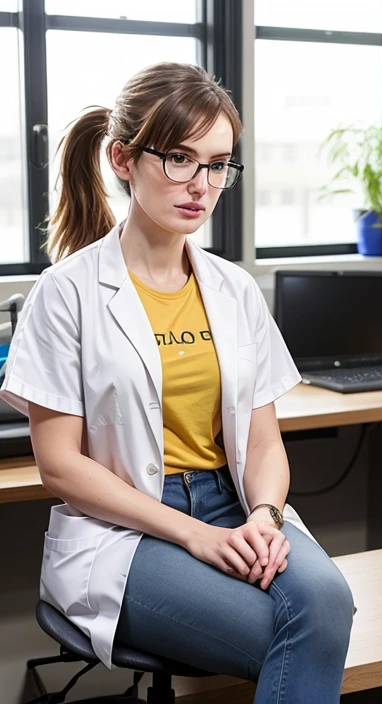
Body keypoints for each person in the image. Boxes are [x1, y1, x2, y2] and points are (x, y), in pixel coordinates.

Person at [0, 62, 353, 702]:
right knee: (295, 632)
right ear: (123, 159)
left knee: (329, 603)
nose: (202, 185)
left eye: (218, 164)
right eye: (180, 159)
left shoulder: (234, 288)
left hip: (233, 504)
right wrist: (194, 533)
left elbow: (265, 442)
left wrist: (267, 518)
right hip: (125, 527)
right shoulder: (66, 293)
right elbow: (58, 466)